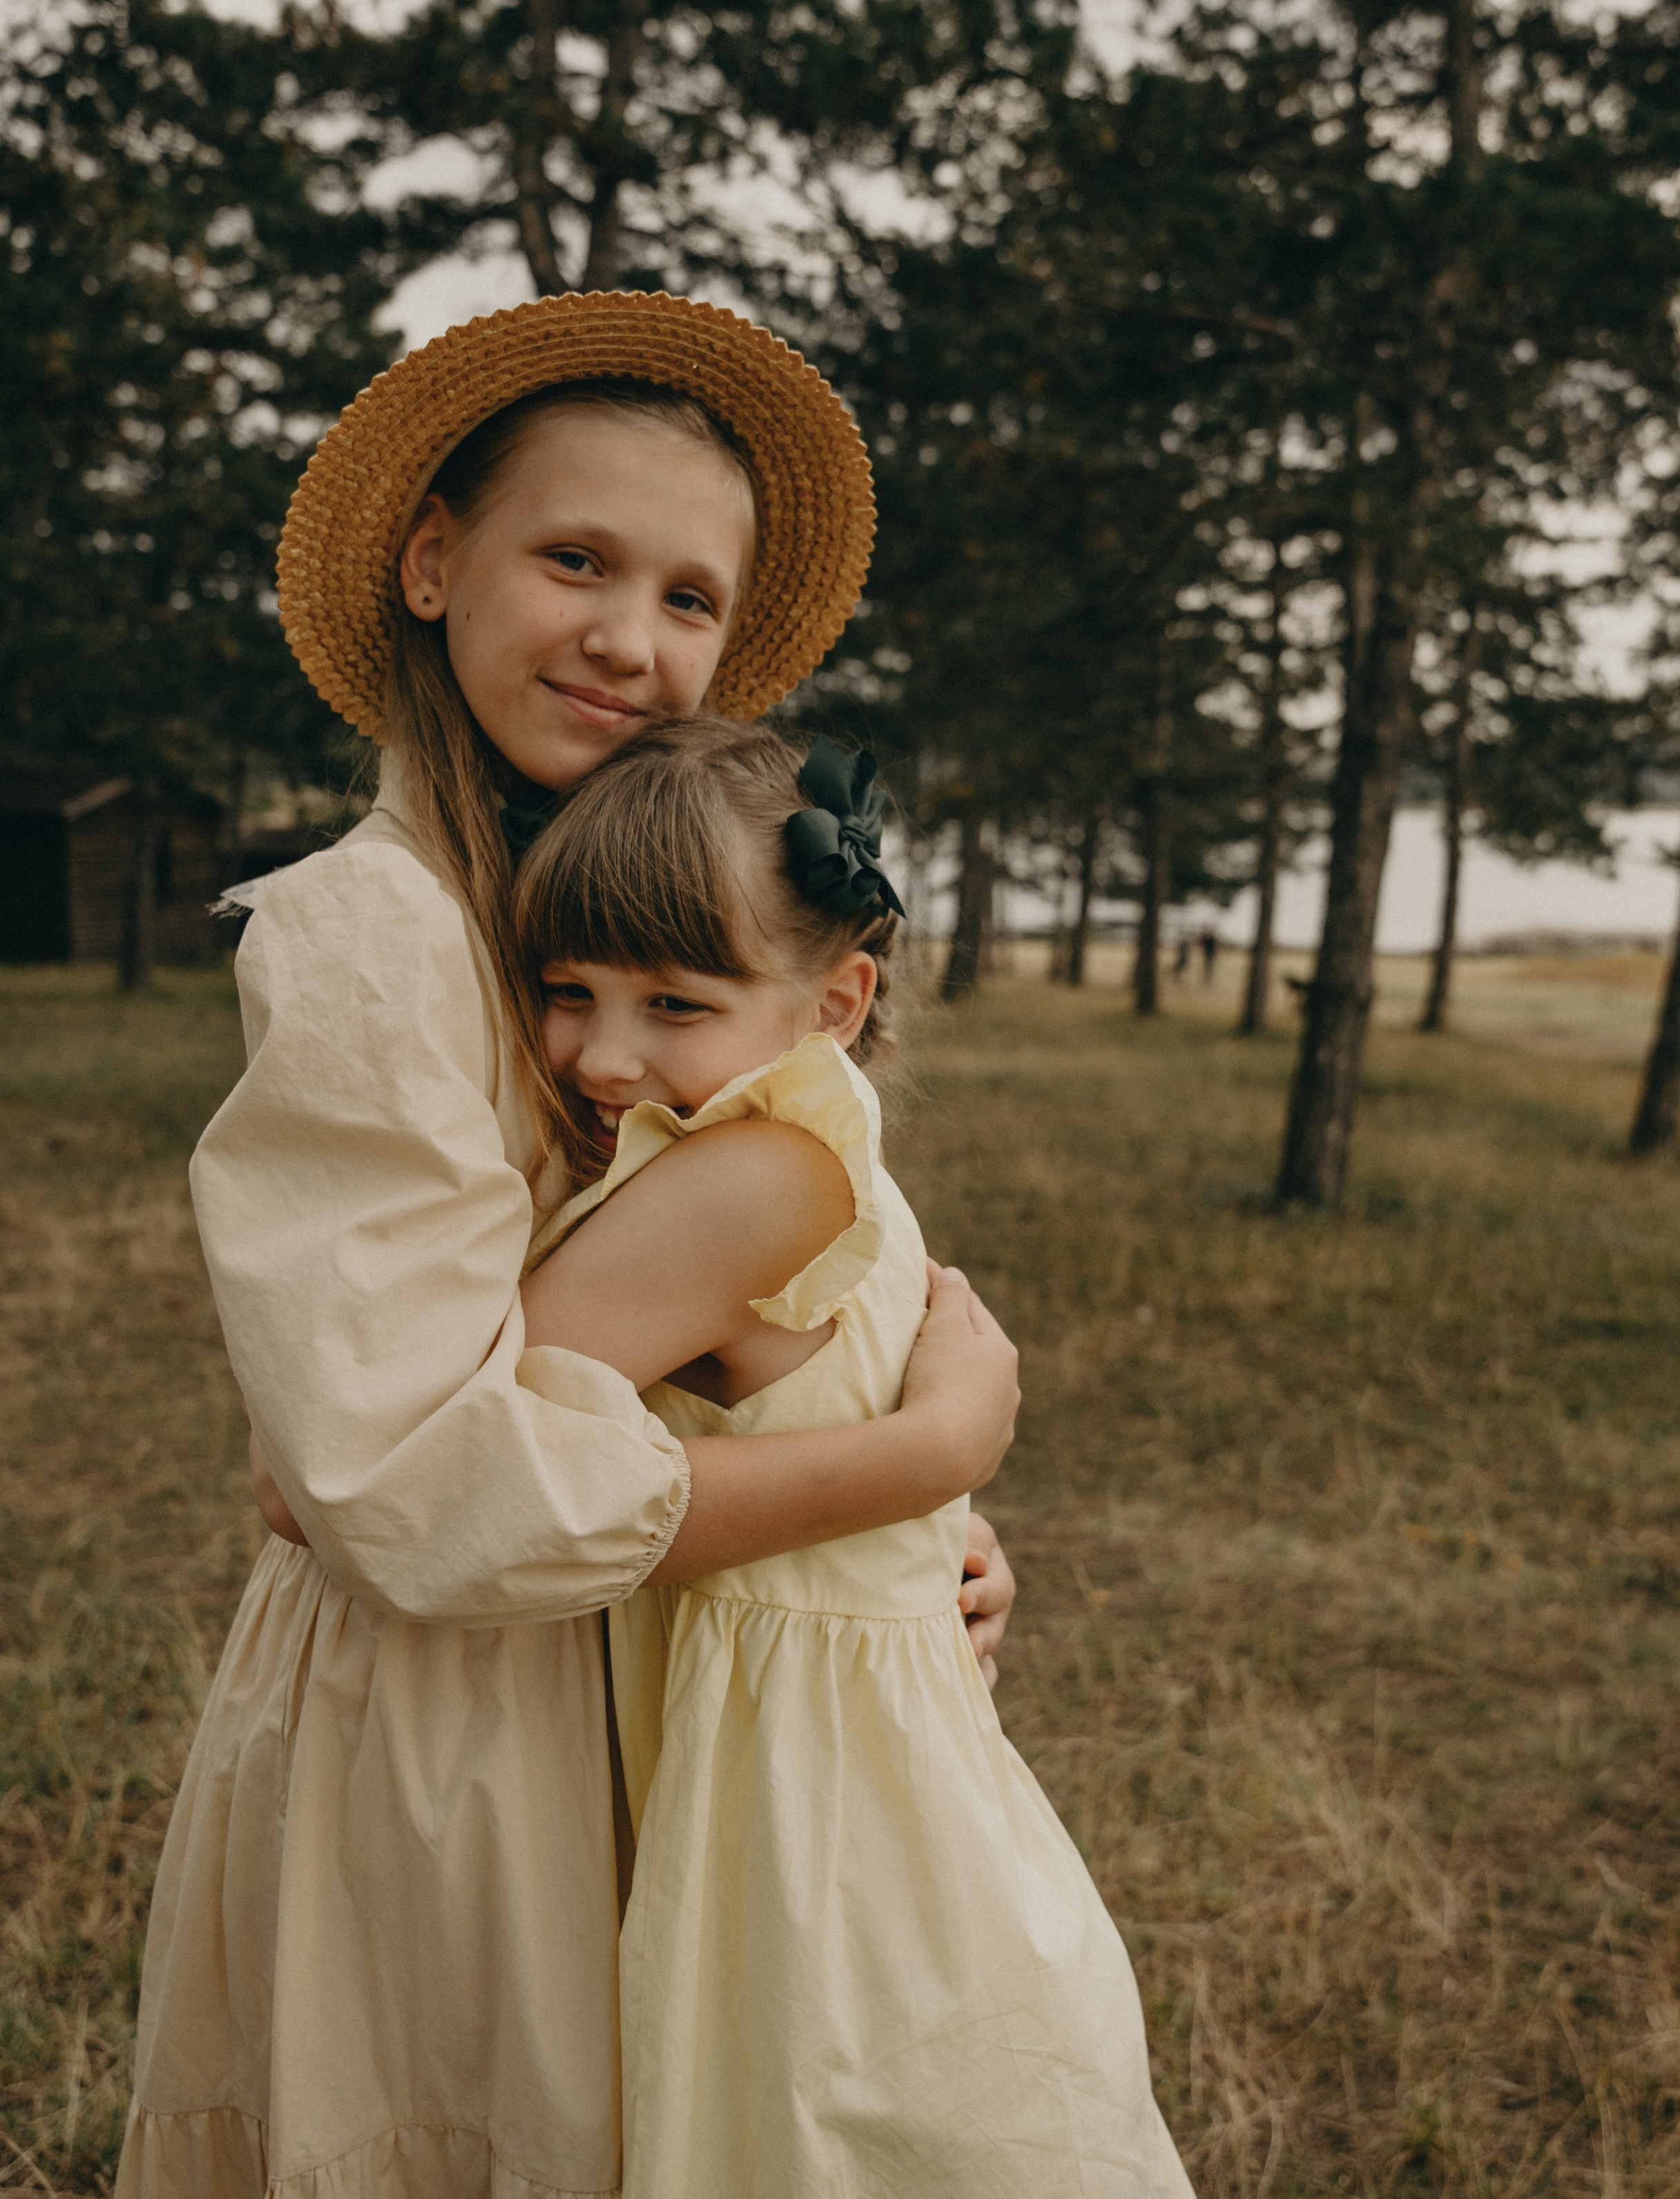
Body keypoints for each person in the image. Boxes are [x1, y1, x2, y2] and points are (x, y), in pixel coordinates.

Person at [117, 293, 1021, 2199]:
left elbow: (728, 1320)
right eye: (576, 559)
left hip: (646, 1670)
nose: (630, 635)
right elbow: (400, 1485)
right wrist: (918, 1455)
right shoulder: (375, 935)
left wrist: (886, 1536)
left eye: (690, 597)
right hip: (454, 1722)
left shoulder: (609, 923)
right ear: (433, 563)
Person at [514, 715, 1193, 2198]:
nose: (603, 1053)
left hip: (802, 1795)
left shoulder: (744, 1177)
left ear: (835, 1001)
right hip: (892, 1764)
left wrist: (930, 1481)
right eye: (567, 990)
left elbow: (449, 1440)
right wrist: (932, 1494)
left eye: (673, 1002)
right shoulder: (834, 1152)